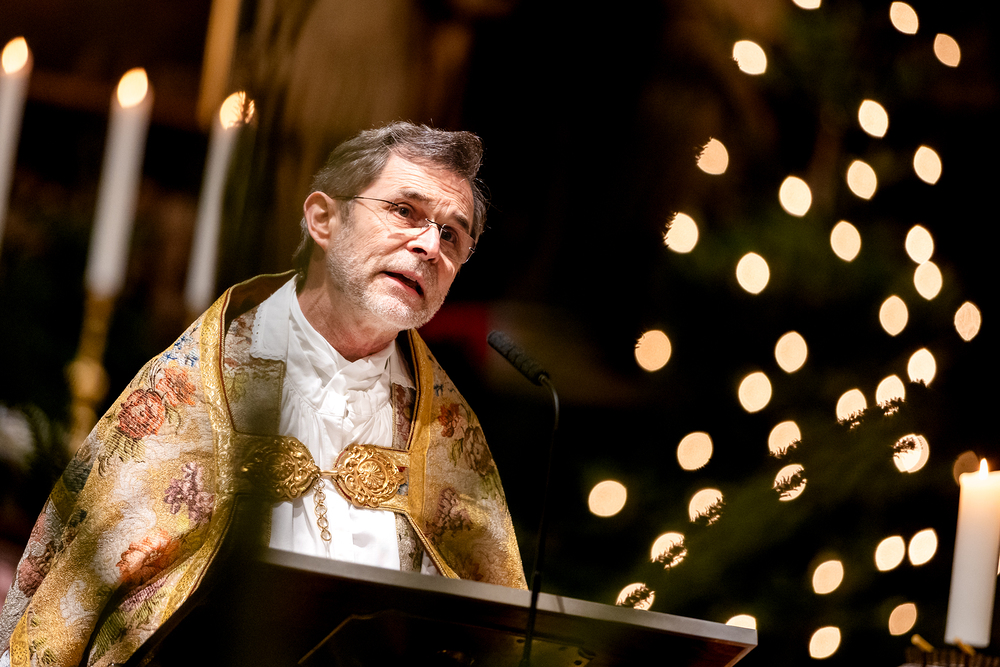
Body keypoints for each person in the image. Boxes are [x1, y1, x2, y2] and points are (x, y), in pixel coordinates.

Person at [0, 122, 526, 667]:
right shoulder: (193, 389)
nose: (428, 246)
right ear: (323, 219)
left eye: (452, 236)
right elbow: (71, 605)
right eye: (404, 211)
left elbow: (493, 634)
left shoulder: (448, 437)